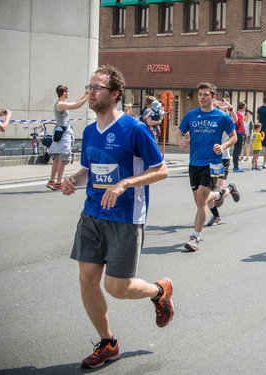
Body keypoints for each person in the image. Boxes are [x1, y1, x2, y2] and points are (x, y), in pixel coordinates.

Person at [61, 65, 173, 369]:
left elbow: (161, 170)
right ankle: (108, 343)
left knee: (116, 287)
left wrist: (125, 183)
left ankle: (159, 291)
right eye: (90, 86)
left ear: (114, 94)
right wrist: (73, 178)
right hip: (92, 214)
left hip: (125, 217)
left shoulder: (134, 129)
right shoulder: (88, 131)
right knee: (87, 281)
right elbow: (90, 169)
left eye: (97, 88)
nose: (91, 92)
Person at [177, 82, 238, 251]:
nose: (202, 98)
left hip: (213, 162)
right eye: (200, 95)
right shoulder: (191, 115)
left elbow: (234, 137)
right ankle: (221, 193)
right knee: (199, 201)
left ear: (213, 97)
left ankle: (195, 237)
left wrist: (223, 147)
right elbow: (179, 133)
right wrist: (181, 142)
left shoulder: (222, 117)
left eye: (206, 95)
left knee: (202, 199)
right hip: (194, 163)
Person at [46, 85, 88, 191]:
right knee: (63, 158)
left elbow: (75, 104)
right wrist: (87, 96)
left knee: (56, 157)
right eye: (68, 91)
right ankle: (58, 182)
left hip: (60, 131)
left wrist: (85, 95)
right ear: (64, 92)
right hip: (63, 133)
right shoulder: (60, 104)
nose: (68, 93)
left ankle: (52, 181)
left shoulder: (59, 104)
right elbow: (75, 105)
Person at [231, 101, 246, 172]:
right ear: (243, 107)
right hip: (240, 133)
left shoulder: (235, 113)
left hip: (235, 133)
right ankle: (236, 167)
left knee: (235, 150)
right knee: (238, 150)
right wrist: (245, 133)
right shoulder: (241, 115)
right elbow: (242, 125)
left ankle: (235, 165)